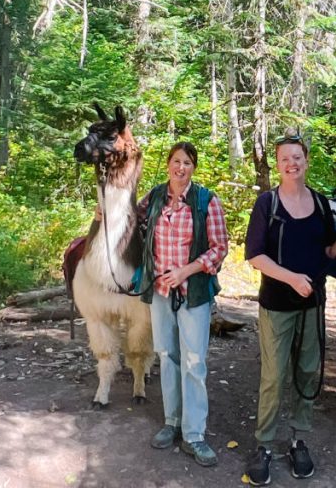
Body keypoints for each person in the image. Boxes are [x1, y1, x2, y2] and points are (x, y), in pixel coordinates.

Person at [244, 132, 336, 485]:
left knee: (308, 372)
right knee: (274, 376)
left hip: (313, 304)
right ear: (278, 165)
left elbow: (328, 251)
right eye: (284, 159)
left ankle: (298, 439)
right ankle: (264, 444)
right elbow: (255, 256)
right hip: (277, 305)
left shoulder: (321, 204)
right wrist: (291, 278)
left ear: (306, 161)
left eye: (297, 158)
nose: (291, 164)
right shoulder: (268, 204)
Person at [137, 141, 229, 467]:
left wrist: (186, 271)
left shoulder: (207, 201)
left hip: (194, 292)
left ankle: (194, 435)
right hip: (161, 293)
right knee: (168, 355)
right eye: (176, 161)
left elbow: (219, 249)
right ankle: (171, 422)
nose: (180, 168)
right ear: (167, 165)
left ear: (194, 167)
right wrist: (104, 212)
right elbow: (131, 224)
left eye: (187, 162)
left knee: (194, 361)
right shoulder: (154, 197)